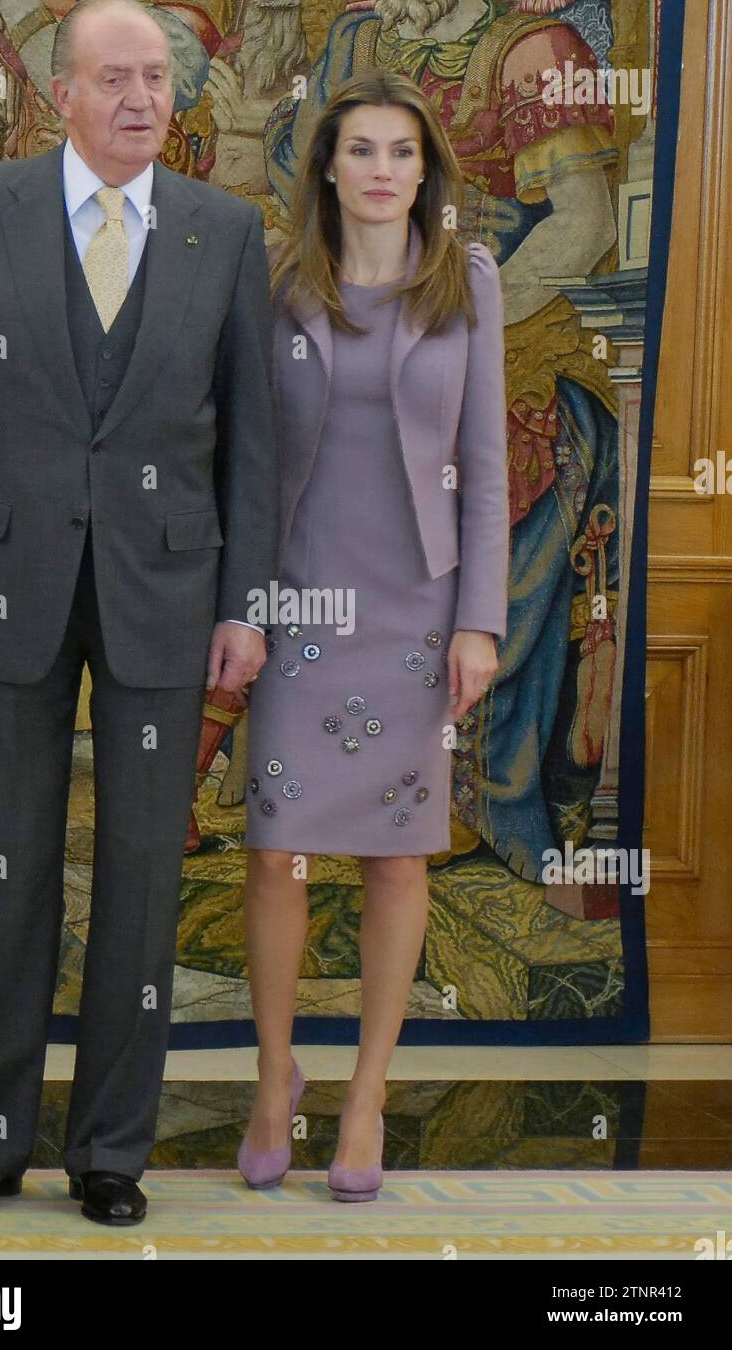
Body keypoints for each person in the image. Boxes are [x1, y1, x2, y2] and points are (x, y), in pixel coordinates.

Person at [0, 0, 277, 1225]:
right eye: (114, 77)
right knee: (10, 870)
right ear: (60, 92)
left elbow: (254, 448)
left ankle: (112, 1150)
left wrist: (245, 603)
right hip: (2, 587)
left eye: (157, 78)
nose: (140, 98)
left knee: (141, 882)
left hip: (170, 590)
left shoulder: (227, 231)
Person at [239, 71, 509, 1202]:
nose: (383, 170)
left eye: (402, 151)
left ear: (425, 172)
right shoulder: (280, 283)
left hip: (413, 607)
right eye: (362, 150)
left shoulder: (470, 284)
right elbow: (244, 464)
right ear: (329, 169)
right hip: (300, 604)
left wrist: (479, 622)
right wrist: (242, 607)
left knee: (400, 856)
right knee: (274, 852)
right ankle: (270, 1078)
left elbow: (487, 472)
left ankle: (365, 1094)